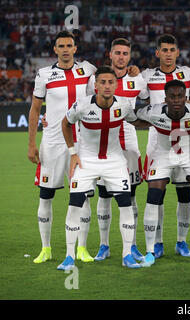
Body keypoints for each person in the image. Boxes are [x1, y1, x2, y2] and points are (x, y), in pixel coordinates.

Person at [57, 66, 150, 270]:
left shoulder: (124, 105)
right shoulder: (82, 105)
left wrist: (163, 121)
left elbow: (137, 122)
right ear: (96, 85)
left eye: (110, 82)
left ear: (116, 84)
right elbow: (65, 123)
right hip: (86, 161)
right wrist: (73, 152)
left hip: (115, 162)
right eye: (103, 82)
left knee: (125, 206)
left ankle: (127, 255)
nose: (107, 86)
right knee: (74, 206)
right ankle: (69, 256)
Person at [28, 30, 96, 264]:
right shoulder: (44, 74)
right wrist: (31, 144)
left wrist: (132, 71)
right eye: (61, 46)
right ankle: (45, 248)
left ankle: (82, 248)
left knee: (83, 197)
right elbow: (35, 110)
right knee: (45, 196)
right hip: (53, 143)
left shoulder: (87, 70)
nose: (66, 49)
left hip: (81, 142)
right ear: (55, 49)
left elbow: (114, 74)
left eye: (69, 45)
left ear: (75, 49)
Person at [136, 80, 190, 267]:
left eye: (180, 96)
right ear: (165, 99)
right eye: (172, 97)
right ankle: (150, 251)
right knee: (153, 196)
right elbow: (134, 118)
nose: (176, 100)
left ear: (186, 98)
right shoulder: (153, 111)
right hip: (163, 155)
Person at [86, 38, 149, 262]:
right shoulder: (98, 79)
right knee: (103, 195)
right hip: (104, 141)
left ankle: (131, 246)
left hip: (129, 142)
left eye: (125, 53)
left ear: (129, 56)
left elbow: (147, 101)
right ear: (110, 55)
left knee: (130, 195)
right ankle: (104, 245)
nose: (121, 57)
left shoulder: (137, 79)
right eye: (118, 53)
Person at [141, 34, 190, 258]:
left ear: (177, 52)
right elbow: (135, 95)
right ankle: (158, 242)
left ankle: (181, 242)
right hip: (158, 142)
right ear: (157, 53)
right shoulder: (146, 76)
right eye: (164, 50)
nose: (168, 54)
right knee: (158, 194)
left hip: (185, 141)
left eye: (172, 49)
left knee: (184, 194)